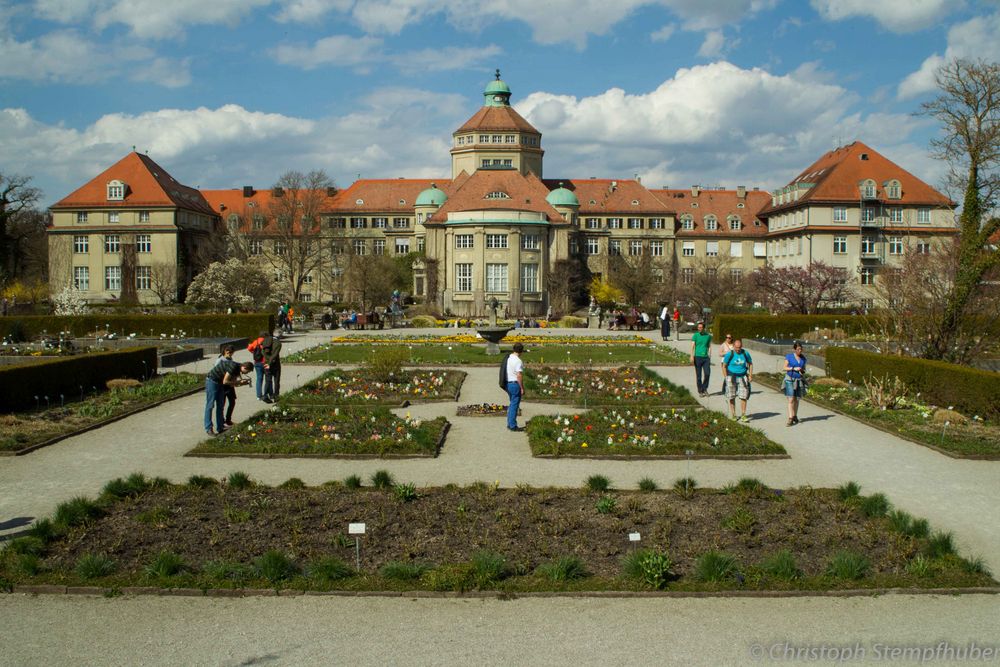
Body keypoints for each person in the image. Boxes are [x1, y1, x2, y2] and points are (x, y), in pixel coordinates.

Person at [205, 355, 252, 436]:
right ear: (244, 367)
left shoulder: (238, 369)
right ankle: (208, 428)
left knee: (220, 405)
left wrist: (242, 384)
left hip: (219, 383)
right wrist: (238, 382)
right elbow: (225, 381)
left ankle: (220, 427)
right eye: (247, 372)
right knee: (210, 405)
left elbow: (231, 384)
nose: (246, 373)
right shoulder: (233, 367)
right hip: (212, 381)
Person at [721, 338, 753, 422]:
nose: (738, 349)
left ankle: (743, 414)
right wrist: (726, 377)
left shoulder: (745, 353)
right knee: (732, 396)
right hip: (731, 377)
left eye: (739, 347)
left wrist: (750, 375)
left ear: (741, 346)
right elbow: (724, 366)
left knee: (744, 396)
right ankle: (734, 414)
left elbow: (750, 364)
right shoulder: (729, 354)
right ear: (733, 346)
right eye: (736, 347)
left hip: (743, 377)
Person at [500, 342, 525, 431]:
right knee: (514, 405)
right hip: (515, 384)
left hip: (508, 383)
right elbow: (519, 375)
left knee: (512, 404)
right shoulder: (518, 361)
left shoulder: (509, 358)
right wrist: (522, 387)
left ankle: (509, 423)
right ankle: (513, 425)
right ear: (521, 351)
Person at [783, 342, 808, 426]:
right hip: (789, 379)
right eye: (798, 349)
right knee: (791, 399)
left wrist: (802, 371)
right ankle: (790, 418)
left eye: (801, 349)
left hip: (798, 380)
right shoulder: (789, 356)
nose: (800, 351)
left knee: (797, 399)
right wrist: (793, 368)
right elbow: (784, 367)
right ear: (794, 349)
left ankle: (795, 416)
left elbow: (804, 369)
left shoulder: (803, 358)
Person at [690, 321, 713, 397]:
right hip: (697, 357)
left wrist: (709, 355)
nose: (699, 329)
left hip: (706, 358)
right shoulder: (695, 335)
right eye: (698, 327)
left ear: (704, 328)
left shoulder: (708, 336)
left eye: (700, 327)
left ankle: (704, 388)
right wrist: (691, 355)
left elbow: (709, 346)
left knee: (707, 374)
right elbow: (693, 346)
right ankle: (700, 391)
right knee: (699, 376)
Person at [261, 330, 282, 403]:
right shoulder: (278, 343)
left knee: (268, 380)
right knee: (276, 380)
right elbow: (275, 354)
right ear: (279, 334)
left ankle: (265, 395)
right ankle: (276, 396)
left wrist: (267, 361)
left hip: (266, 363)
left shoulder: (266, 340)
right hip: (275, 364)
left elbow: (262, 352)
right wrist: (270, 363)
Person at [247, 332, 267, 400]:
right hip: (265, 362)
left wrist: (253, 352)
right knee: (267, 379)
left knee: (259, 379)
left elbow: (249, 348)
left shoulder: (256, 341)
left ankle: (259, 395)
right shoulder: (266, 341)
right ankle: (267, 394)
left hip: (257, 362)